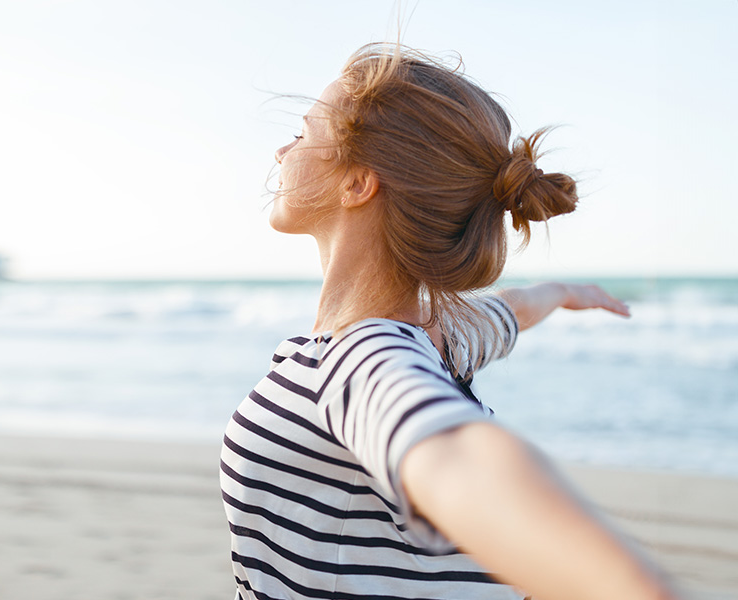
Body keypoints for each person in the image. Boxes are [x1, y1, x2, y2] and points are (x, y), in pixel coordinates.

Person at [221, 43, 680, 600]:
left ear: (357, 183)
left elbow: (456, 458)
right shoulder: (437, 335)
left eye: (301, 132)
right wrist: (562, 292)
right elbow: (507, 313)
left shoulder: (362, 359)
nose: (280, 151)